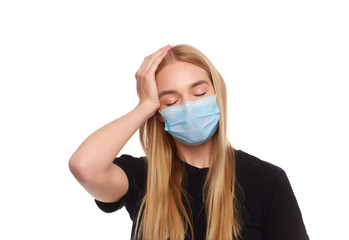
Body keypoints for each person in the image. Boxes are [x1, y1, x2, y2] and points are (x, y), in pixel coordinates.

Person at [69, 44, 309, 240]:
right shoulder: (142, 177)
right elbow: (84, 167)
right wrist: (144, 106)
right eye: (171, 101)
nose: (189, 106)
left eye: (199, 94)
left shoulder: (267, 180)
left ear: (217, 93)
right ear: (160, 114)